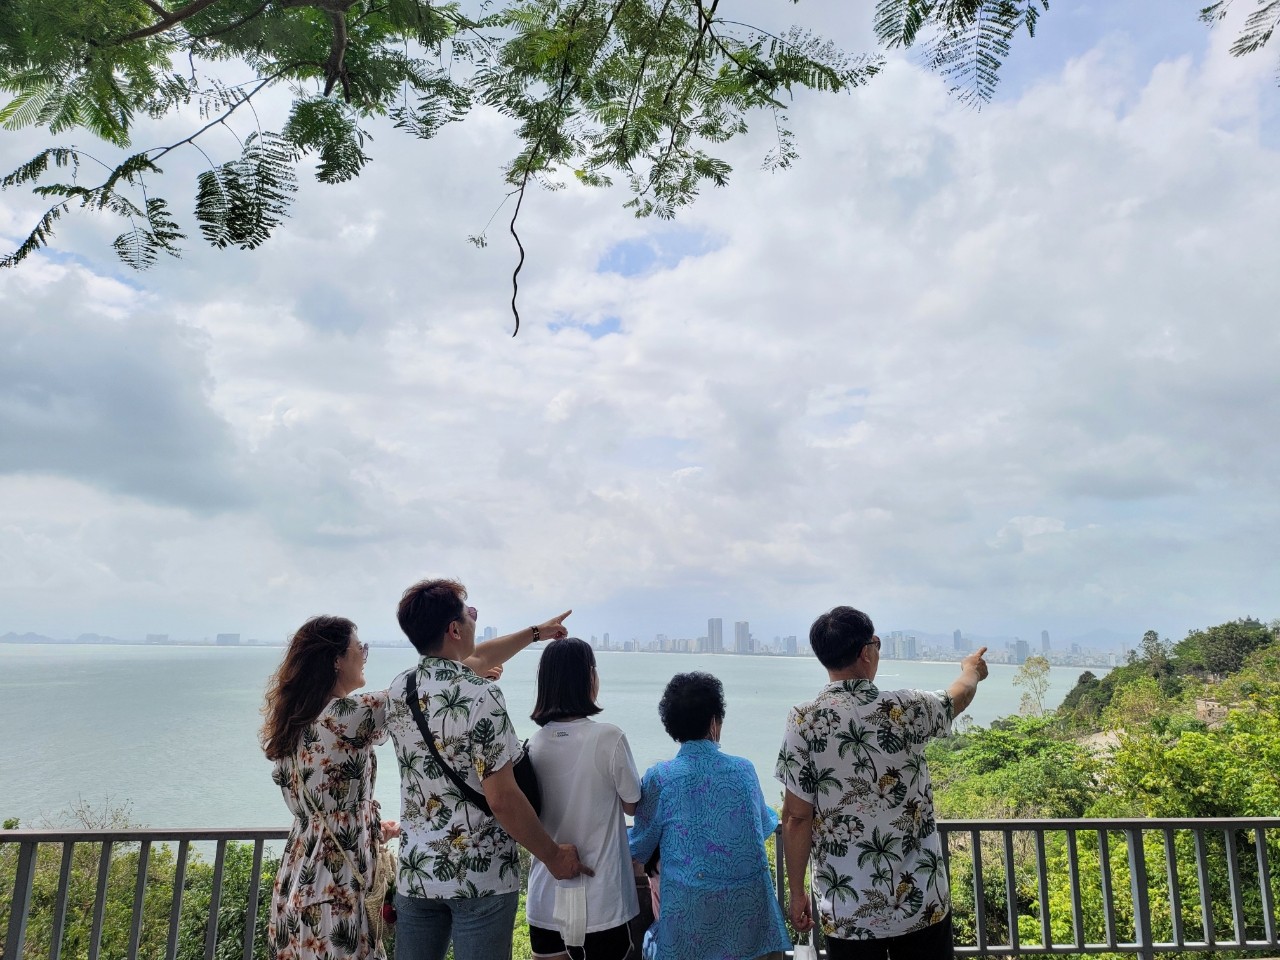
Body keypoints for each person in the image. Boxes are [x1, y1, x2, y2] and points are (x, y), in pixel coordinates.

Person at [383, 578, 591, 960]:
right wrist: (553, 856)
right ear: (455, 629)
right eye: (470, 614)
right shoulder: (482, 694)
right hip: (480, 878)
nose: (475, 620)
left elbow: (475, 661)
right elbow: (502, 799)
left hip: (418, 873)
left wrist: (536, 632)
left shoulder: (400, 689)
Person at [777, 606, 989, 959]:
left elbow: (796, 816)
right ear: (866, 652)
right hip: (920, 902)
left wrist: (797, 892)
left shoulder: (804, 720)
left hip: (847, 909)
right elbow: (958, 696)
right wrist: (971, 670)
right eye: (876, 643)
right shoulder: (905, 708)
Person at [262, 615, 399, 960]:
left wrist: (370, 827)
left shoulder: (295, 722)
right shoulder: (343, 715)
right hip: (335, 888)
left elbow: (321, 808)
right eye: (359, 648)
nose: (364, 655)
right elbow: (423, 689)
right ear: (336, 659)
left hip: (299, 875)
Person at [628, 672, 791, 960]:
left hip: (688, 927)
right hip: (750, 925)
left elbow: (639, 846)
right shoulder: (744, 770)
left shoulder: (659, 778)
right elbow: (762, 824)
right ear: (714, 722)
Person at [525, 637, 642, 960]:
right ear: (590, 678)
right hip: (602, 899)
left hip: (546, 896)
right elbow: (632, 803)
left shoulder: (533, 744)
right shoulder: (609, 738)